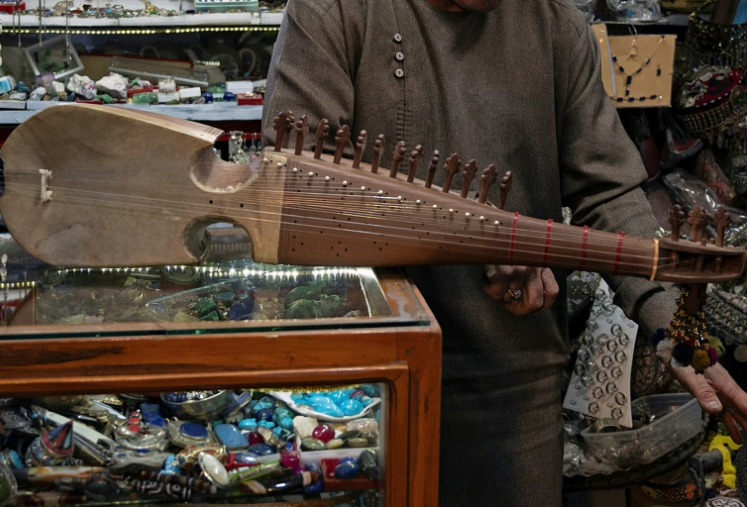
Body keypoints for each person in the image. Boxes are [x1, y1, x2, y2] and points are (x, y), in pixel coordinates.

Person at [261, 0, 747, 504]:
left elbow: (609, 191)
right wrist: (479, 239)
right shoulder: (333, 10)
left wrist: (672, 325)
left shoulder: (554, 24)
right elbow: (297, 194)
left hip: (514, 381)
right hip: (360, 384)